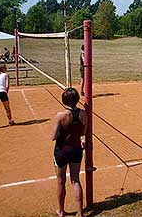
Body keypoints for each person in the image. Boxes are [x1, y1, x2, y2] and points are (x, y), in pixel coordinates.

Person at [52, 88, 87, 217]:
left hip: (62, 150)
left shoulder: (61, 115)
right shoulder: (84, 114)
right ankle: (80, 212)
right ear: (77, 99)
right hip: (76, 149)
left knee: (61, 181)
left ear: (64, 100)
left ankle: (61, 211)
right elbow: (83, 132)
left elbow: (53, 136)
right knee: (75, 180)